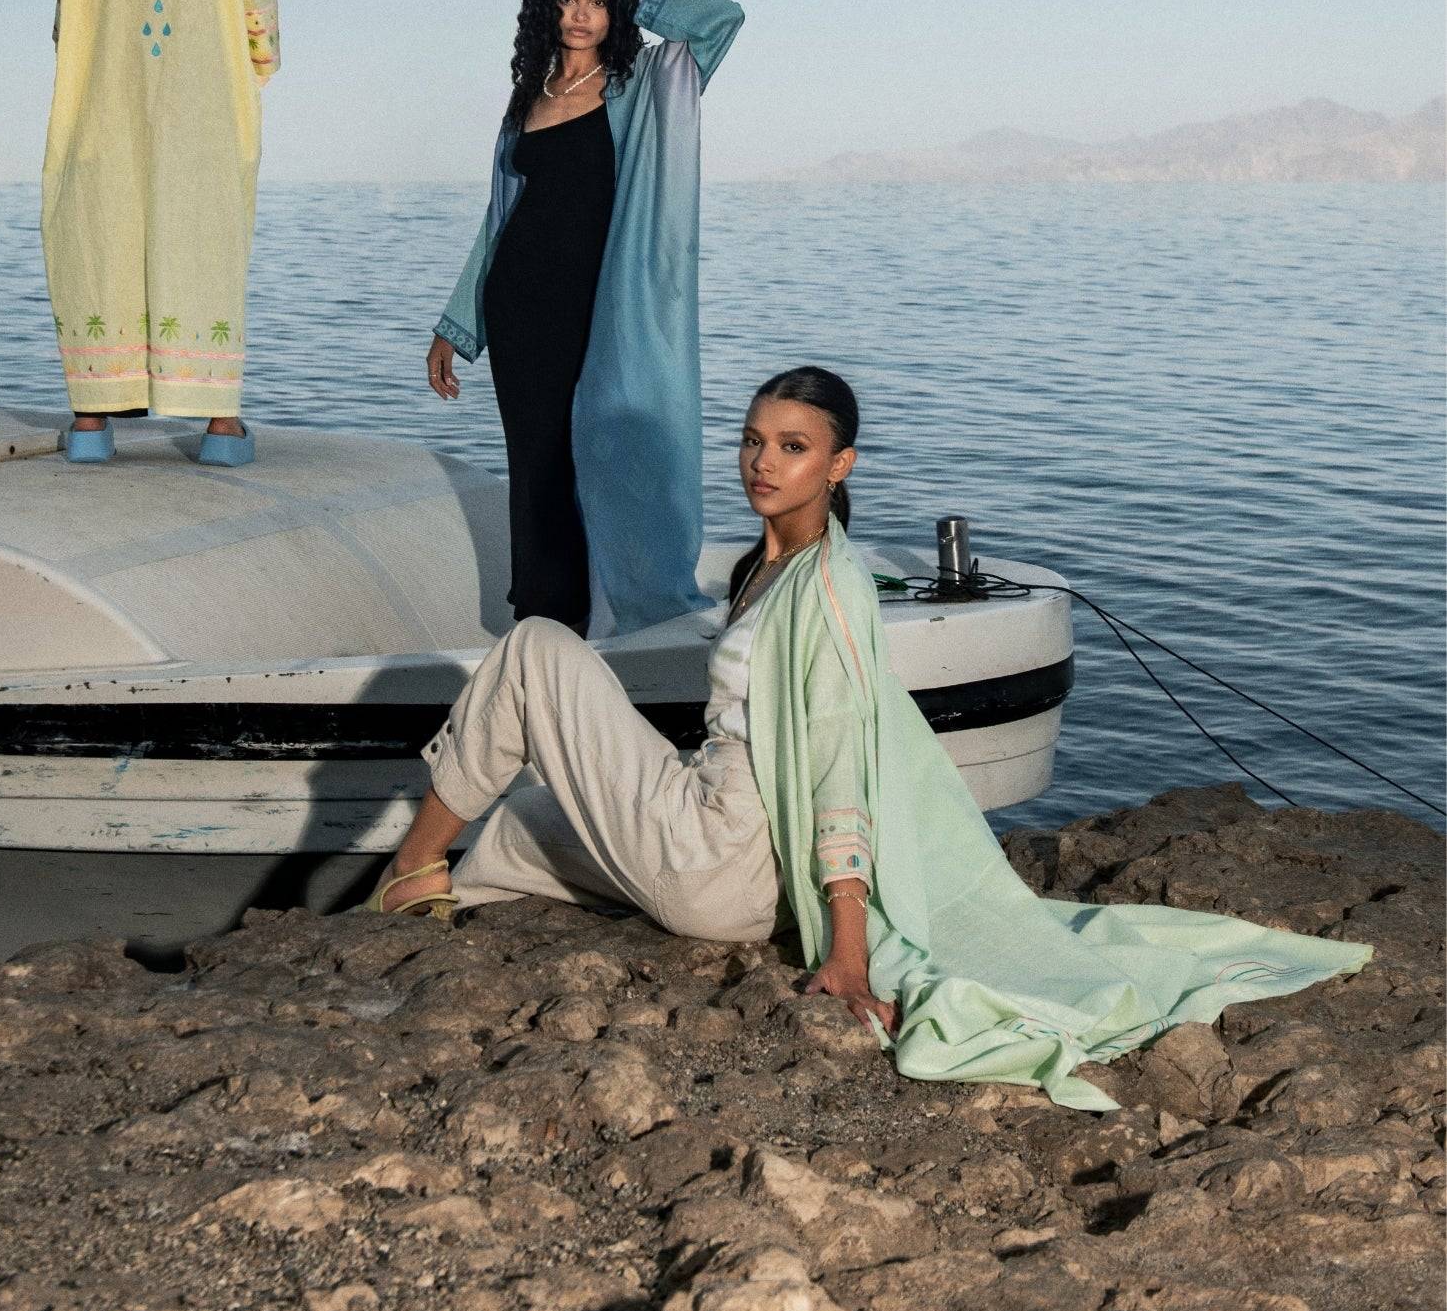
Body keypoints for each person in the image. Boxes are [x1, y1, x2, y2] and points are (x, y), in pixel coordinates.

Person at [365, 367, 1370, 1109]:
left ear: (839, 464)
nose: (765, 460)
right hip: (734, 854)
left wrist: (848, 951)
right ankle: (448, 915)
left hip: (722, 858)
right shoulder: (769, 569)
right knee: (531, 817)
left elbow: (840, 763)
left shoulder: (832, 587)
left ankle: (409, 872)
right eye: (755, 439)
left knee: (537, 648)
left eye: (793, 446)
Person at [427, 0, 742, 637]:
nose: (580, 16)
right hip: (518, 304)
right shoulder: (526, 97)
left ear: (616, 12)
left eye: (596, 1)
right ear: (548, 8)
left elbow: (722, 20)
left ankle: (628, 609)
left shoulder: (645, 82)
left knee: (609, 451)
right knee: (536, 463)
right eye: (567, 0)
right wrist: (456, 325)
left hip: (604, 306)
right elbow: (499, 218)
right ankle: (544, 615)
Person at [41, 0, 280, 466]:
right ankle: (219, 427)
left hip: (105, 91)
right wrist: (258, 61)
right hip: (203, 97)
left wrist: (80, 53)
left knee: (100, 229)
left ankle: (90, 423)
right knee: (203, 235)